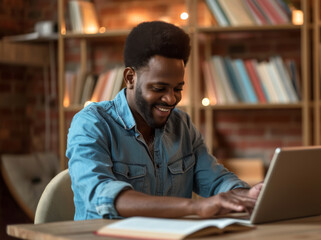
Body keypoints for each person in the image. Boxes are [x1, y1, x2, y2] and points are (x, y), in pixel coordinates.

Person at [66, 21, 263, 220]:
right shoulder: (91, 124)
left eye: (177, 89)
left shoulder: (182, 124)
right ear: (130, 78)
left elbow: (216, 180)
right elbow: (102, 195)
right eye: (159, 88)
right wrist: (196, 207)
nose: (171, 99)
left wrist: (247, 196)